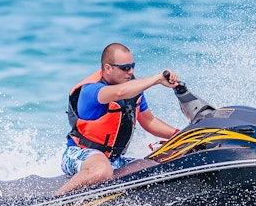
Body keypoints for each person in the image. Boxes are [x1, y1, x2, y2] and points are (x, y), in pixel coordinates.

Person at [55, 43, 182, 195]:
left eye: (132, 66)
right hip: (79, 154)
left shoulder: (132, 90)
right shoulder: (92, 90)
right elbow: (119, 93)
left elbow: (149, 121)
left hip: (114, 160)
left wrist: (181, 135)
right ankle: (57, 200)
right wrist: (157, 79)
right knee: (102, 170)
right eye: (125, 67)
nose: (131, 72)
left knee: (155, 168)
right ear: (108, 68)